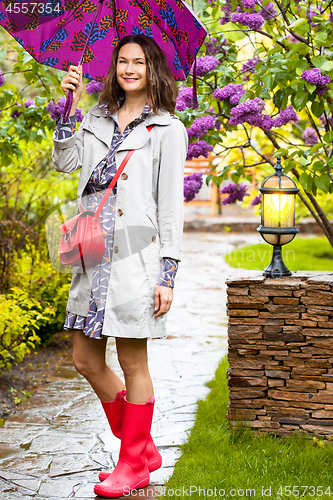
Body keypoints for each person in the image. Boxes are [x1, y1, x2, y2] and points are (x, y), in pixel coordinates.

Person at [52, 34, 188, 498]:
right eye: (122, 61)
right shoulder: (94, 117)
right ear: (114, 68)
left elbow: (170, 207)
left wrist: (167, 274)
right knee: (84, 359)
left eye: (139, 62)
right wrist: (66, 107)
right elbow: (65, 163)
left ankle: (132, 463)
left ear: (153, 69)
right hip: (92, 254)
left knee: (133, 359)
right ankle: (142, 444)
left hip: (138, 258)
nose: (129, 69)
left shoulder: (168, 130)